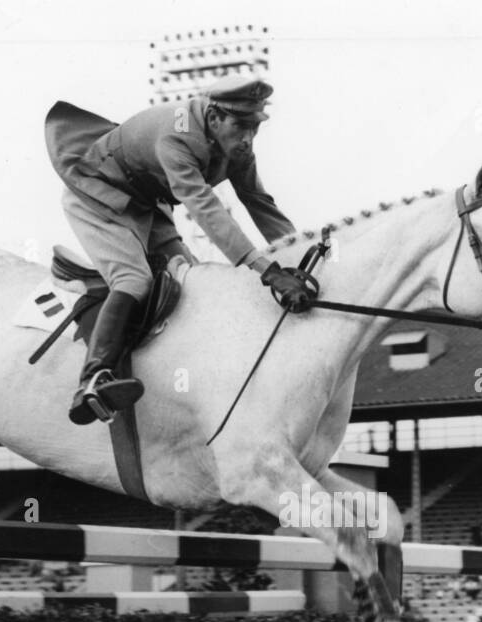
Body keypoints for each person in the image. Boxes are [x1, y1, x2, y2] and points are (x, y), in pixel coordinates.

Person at [45, 75, 310, 424]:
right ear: (214, 118)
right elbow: (205, 207)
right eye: (241, 126)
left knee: (195, 284)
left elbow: (260, 203)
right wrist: (268, 271)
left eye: (254, 128)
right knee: (134, 280)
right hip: (96, 195)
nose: (247, 138)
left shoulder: (238, 149)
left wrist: (298, 256)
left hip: (144, 200)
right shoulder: (177, 136)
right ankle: (92, 380)